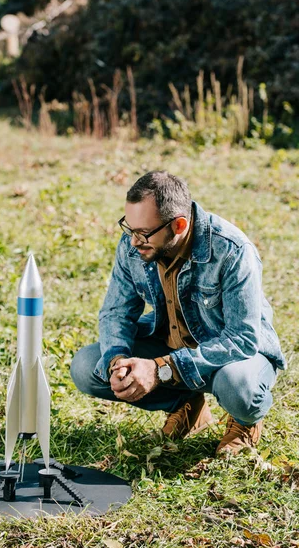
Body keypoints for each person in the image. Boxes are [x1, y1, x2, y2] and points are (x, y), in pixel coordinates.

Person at [70, 171, 286, 455]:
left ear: (179, 225)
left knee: (238, 387)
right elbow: (115, 312)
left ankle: (244, 421)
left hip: (230, 357)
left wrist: (160, 369)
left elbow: (241, 340)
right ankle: (187, 406)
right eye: (129, 228)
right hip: (171, 347)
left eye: (143, 233)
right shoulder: (135, 245)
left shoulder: (233, 250)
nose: (133, 242)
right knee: (88, 366)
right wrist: (119, 361)